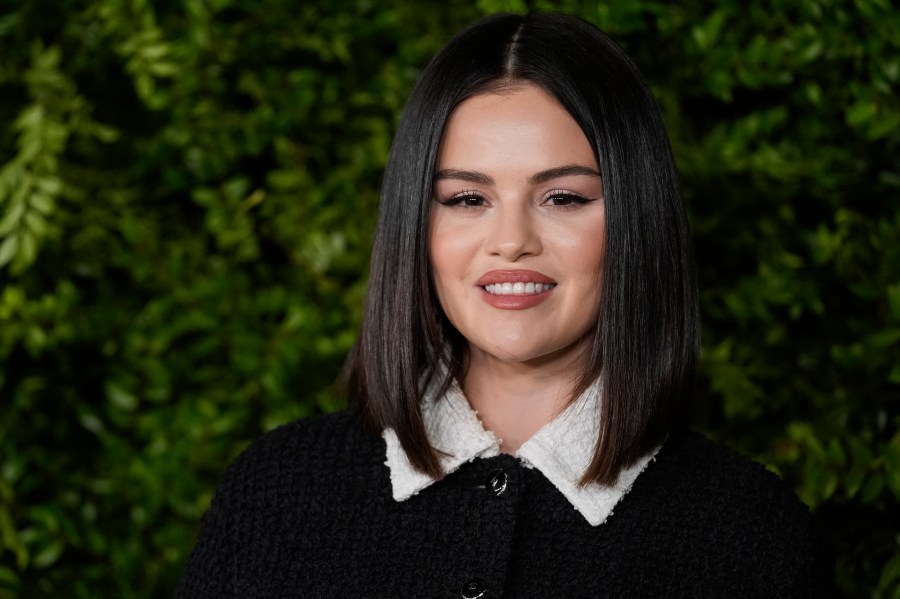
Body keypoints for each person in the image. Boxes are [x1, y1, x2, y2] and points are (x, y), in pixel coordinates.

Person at [178, 12, 831, 597]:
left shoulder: (752, 533)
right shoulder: (278, 490)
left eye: (564, 197)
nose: (511, 240)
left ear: (637, 219)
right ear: (417, 225)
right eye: (467, 198)